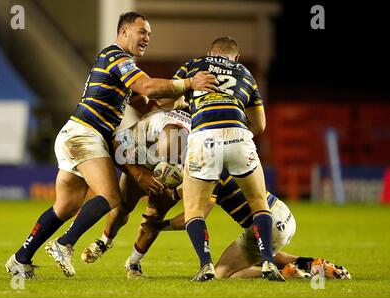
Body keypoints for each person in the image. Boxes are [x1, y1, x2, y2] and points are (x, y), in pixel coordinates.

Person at [5, 11, 218, 279]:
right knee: (110, 197)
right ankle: (63, 244)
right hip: (85, 134)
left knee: (66, 206)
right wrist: (188, 83)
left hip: (76, 133)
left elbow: (145, 94)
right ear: (124, 31)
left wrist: (165, 97)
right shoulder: (117, 56)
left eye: (150, 34)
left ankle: (21, 259)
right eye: (142, 32)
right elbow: (148, 87)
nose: (147, 38)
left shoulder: (116, 62)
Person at [172, 37, 282, 281]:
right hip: (238, 133)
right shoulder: (244, 72)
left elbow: (167, 96)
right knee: (258, 201)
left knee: (194, 209)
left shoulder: (194, 64)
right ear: (237, 57)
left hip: (203, 136)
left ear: (210, 53)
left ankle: (205, 265)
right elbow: (261, 125)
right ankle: (268, 263)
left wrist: (186, 100)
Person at [143, 171, 351, 281]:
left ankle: (286, 273)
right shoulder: (227, 162)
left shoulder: (209, 174)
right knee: (264, 252)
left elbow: (197, 215)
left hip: (269, 224)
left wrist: (160, 226)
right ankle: (311, 264)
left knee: (222, 273)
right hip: (284, 214)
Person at [80, 105, 190, 278]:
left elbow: (201, 186)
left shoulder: (200, 142)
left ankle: (134, 263)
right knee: (122, 207)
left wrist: (175, 192)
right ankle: (104, 242)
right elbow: (114, 144)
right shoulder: (151, 124)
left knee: (153, 219)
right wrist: (137, 173)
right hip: (141, 161)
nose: (166, 162)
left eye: (172, 159)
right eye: (166, 157)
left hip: (177, 176)